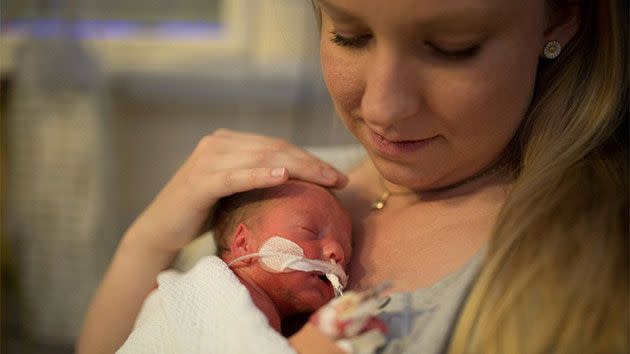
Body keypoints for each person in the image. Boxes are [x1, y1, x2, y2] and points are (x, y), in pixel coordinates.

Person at [78, 0, 628, 353]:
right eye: (350, 35)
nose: (384, 108)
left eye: (451, 48)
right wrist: (149, 240)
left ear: (559, 16)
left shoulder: (575, 271)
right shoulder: (286, 186)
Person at [116, 180, 364, 353]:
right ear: (243, 244)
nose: (337, 252)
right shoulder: (232, 297)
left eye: (346, 247)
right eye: (310, 231)